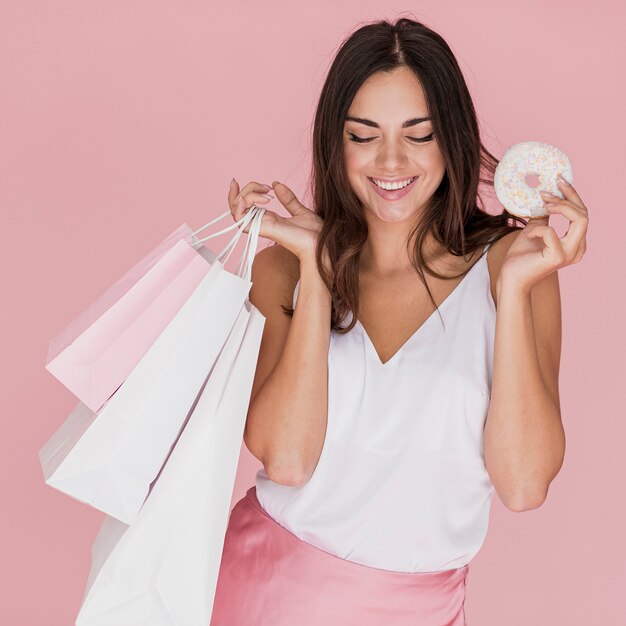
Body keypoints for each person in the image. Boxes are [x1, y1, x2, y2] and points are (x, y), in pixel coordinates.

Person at [210, 16, 588, 626]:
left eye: (419, 134)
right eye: (364, 136)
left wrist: (514, 292)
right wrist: (314, 265)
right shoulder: (285, 268)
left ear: (453, 140)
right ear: (336, 143)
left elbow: (523, 486)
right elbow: (287, 460)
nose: (391, 161)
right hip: (261, 595)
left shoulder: (513, 270)